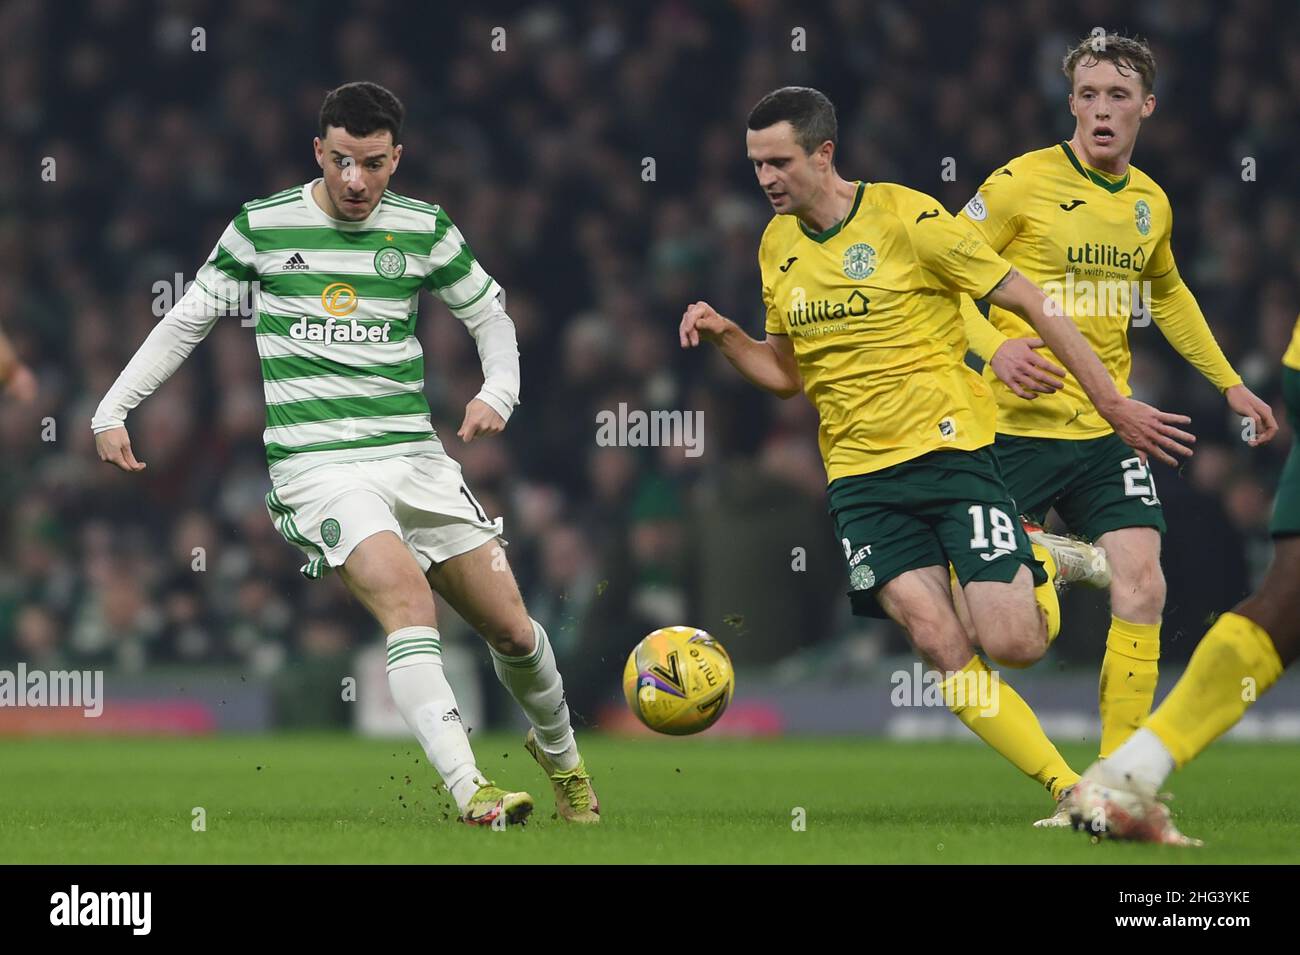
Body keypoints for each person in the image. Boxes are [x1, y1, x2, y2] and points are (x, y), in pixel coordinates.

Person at [93, 81, 598, 827]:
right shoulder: (262, 227)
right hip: (319, 466)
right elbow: (187, 321)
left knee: (515, 631)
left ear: (398, 156)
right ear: (317, 153)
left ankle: (565, 763)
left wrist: (499, 391)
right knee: (407, 599)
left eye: (373, 163)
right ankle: (474, 791)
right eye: (340, 162)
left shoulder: (423, 228)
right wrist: (113, 407)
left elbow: (490, 316)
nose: (356, 181)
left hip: (416, 460)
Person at [680, 85, 1193, 817]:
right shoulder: (776, 246)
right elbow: (787, 375)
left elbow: (1030, 300)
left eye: (779, 162)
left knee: (1014, 642)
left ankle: (1043, 555)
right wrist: (730, 337)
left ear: (825, 154)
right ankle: (1071, 789)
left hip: (952, 458)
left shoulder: (909, 216)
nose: (765, 178)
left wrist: (1109, 399)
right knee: (938, 641)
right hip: (860, 480)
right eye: (755, 163)